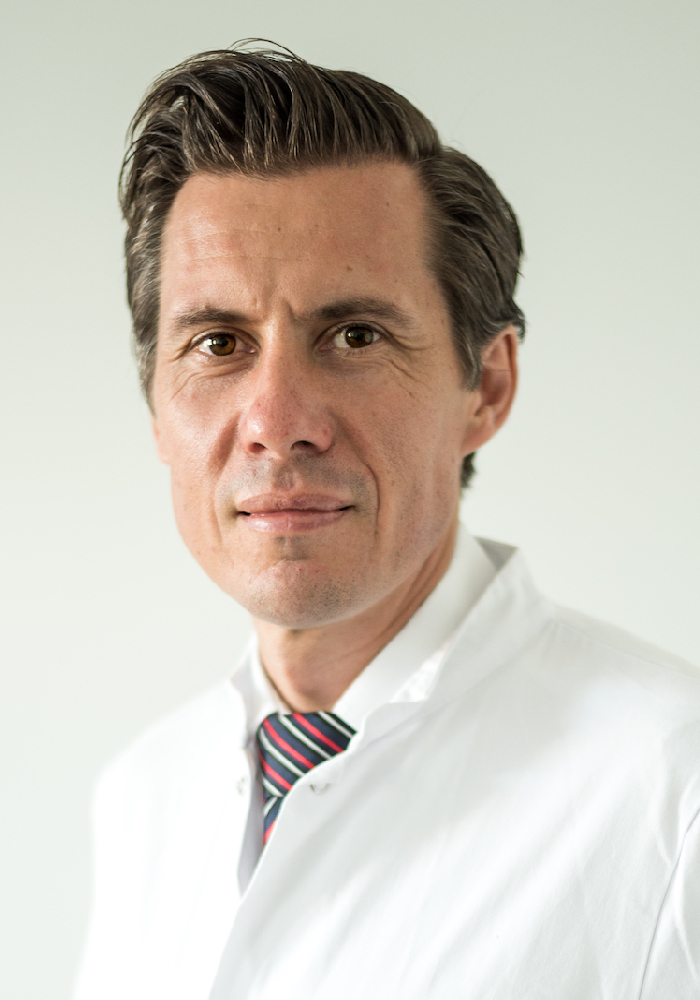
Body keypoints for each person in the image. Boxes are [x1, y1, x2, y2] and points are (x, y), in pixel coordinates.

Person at [74, 44, 700, 1000]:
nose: (277, 421)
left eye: (354, 335)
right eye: (219, 342)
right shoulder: (142, 797)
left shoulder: (675, 791)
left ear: (487, 387)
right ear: (158, 409)